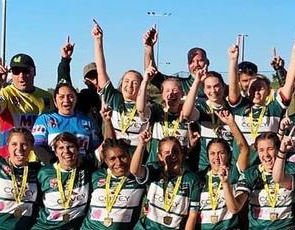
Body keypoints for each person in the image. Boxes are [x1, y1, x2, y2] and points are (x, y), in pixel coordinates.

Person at [227, 38, 295, 163]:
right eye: (252, 88)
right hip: (242, 169)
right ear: (246, 91)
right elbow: (233, 88)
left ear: (268, 91)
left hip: (268, 167)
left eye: (260, 88)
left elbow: (289, 84)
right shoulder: (239, 108)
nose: (256, 92)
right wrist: (233, 60)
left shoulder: (274, 109)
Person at [0, 54, 52, 157]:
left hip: (40, 160)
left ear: (34, 71)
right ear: (11, 74)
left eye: (26, 71)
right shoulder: (6, 94)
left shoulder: (47, 97)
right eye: (16, 71)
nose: (21, 76)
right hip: (12, 159)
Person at [93, 23, 147, 151]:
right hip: (114, 153)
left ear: (141, 87)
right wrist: (98, 40)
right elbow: (101, 71)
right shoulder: (114, 97)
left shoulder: (146, 107)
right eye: (126, 81)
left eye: (135, 83)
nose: (129, 86)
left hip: (136, 156)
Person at [135, 65, 199, 163]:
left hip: (179, 167)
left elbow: (187, 113)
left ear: (182, 94)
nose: (171, 94)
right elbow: (140, 109)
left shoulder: (189, 112)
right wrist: (145, 81)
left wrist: (197, 81)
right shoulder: (156, 110)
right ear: (162, 94)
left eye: (175, 90)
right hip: (156, 165)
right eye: (167, 90)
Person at [31, 82, 100, 164]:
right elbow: (38, 147)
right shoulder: (44, 119)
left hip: (81, 167)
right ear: (55, 100)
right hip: (54, 168)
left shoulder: (88, 121)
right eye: (61, 97)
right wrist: (56, 164)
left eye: (70, 96)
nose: (66, 100)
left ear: (76, 98)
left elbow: (95, 148)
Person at [56, 36, 103, 139]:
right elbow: (64, 85)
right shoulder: (84, 98)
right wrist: (65, 60)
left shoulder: (111, 96)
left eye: (98, 76)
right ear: (85, 81)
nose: (95, 80)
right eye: (91, 77)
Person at [143, 27, 209, 96]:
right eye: (191, 62)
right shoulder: (181, 84)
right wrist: (149, 47)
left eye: (200, 60)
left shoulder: (217, 82)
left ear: (207, 62)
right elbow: (153, 75)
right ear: (187, 65)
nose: (196, 64)